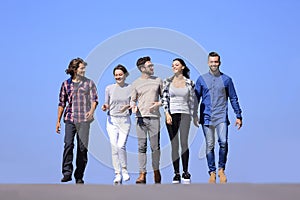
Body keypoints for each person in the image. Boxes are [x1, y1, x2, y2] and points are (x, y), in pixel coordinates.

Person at [194, 52, 243, 184]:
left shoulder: (227, 80)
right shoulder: (201, 79)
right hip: (206, 117)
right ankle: (212, 172)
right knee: (209, 145)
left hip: (221, 116)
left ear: (219, 63)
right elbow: (195, 98)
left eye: (216, 62)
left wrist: (238, 115)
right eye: (212, 62)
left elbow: (233, 98)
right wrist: (194, 114)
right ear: (208, 63)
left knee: (223, 143)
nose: (214, 64)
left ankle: (221, 169)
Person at [56, 58, 98, 184]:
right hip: (70, 118)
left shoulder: (89, 83)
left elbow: (95, 99)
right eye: (81, 68)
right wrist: (58, 121)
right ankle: (67, 173)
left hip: (84, 120)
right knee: (68, 144)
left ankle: (79, 175)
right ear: (74, 70)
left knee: (82, 148)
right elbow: (61, 103)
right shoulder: (65, 84)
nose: (84, 70)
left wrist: (91, 111)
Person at [161, 58, 198, 184]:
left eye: (176, 65)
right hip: (171, 115)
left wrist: (195, 116)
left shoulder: (189, 83)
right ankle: (176, 173)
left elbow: (192, 100)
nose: (174, 67)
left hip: (185, 115)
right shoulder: (167, 82)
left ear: (182, 67)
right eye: (172, 65)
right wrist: (167, 114)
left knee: (183, 143)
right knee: (174, 144)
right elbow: (165, 100)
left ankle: (185, 172)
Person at [130, 56, 163, 184]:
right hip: (140, 118)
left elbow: (165, 98)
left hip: (155, 118)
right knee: (141, 147)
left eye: (152, 65)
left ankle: (156, 171)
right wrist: (133, 106)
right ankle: (142, 174)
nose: (152, 67)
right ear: (142, 68)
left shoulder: (158, 80)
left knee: (155, 147)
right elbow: (133, 99)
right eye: (150, 66)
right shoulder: (135, 83)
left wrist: (158, 104)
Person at [101, 64, 132, 184]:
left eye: (120, 74)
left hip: (125, 120)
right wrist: (105, 106)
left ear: (125, 75)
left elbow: (134, 103)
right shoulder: (109, 88)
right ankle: (117, 173)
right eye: (116, 75)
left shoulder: (130, 88)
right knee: (114, 147)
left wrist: (128, 106)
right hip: (111, 120)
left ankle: (124, 170)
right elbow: (107, 103)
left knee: (121, 146)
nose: (118, 77)